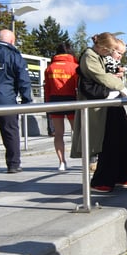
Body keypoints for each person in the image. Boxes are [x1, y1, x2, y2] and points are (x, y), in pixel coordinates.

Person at [71, 32, 127, 192]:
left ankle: (120, 176)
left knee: (120, 138)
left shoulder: (97, 56)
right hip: (101, 105)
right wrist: (122, 88)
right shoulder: (90, 56)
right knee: (110, 141)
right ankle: (107, 179)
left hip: (107, 102)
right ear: (102, 47)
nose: (113, 55)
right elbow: (100, 76)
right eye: (111, 50)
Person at [0, 29, 32, 173]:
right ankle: (13, 165)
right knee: (11, 134)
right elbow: (23, 79)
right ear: (12, 41)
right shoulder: (14, 56)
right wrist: (27, 100)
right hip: (7, 101)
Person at [44, 42, 79, 171]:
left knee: (58, 133)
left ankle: (62, 162)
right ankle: (85, 158)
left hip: (55, 100)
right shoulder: (75, 67)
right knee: (78, 132)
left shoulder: (50, 68)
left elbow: (47, 88)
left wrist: (48, 104)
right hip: (72, 100)